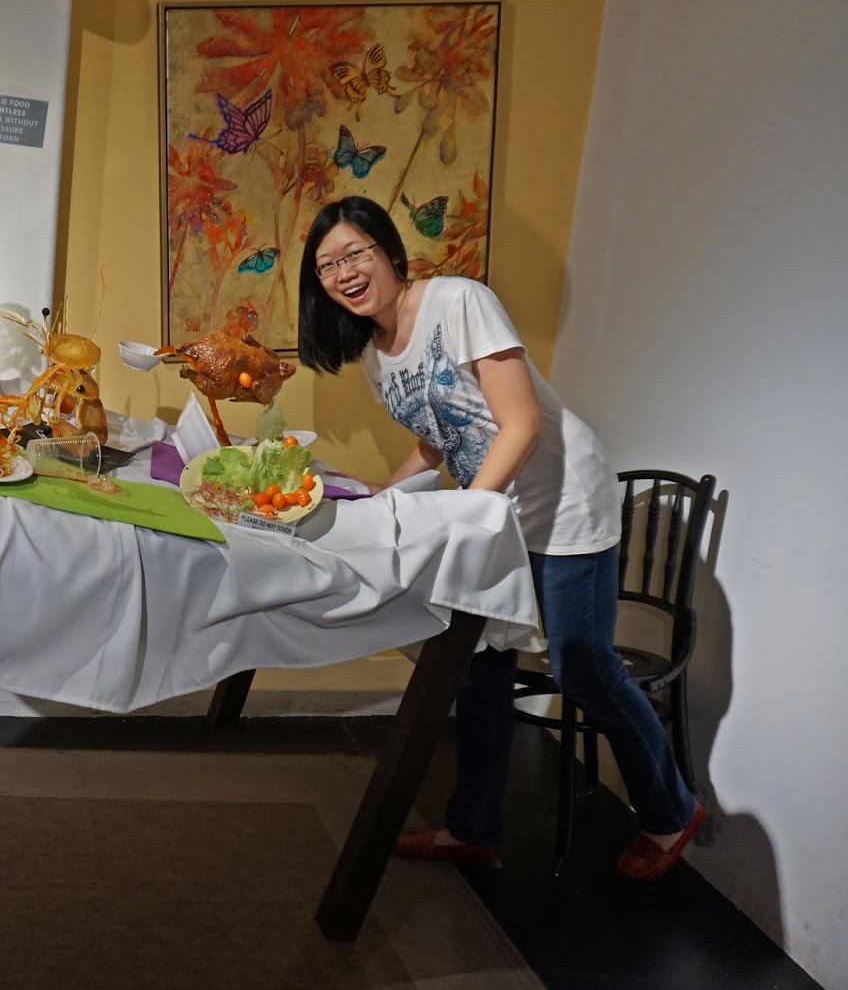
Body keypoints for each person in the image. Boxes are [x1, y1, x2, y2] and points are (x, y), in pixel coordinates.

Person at [296, 195, 703, 881]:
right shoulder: (373, 352)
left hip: (564, 499)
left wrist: (468, 513)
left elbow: (521, 423)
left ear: (389, 250)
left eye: (355, 253)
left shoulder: (459, 300)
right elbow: (439, 438)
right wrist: (381, 496)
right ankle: (473, 827)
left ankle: (670, 809)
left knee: (581, 663)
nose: (344, 273)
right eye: (327, 265)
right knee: (477, 660)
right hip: (496, 509)